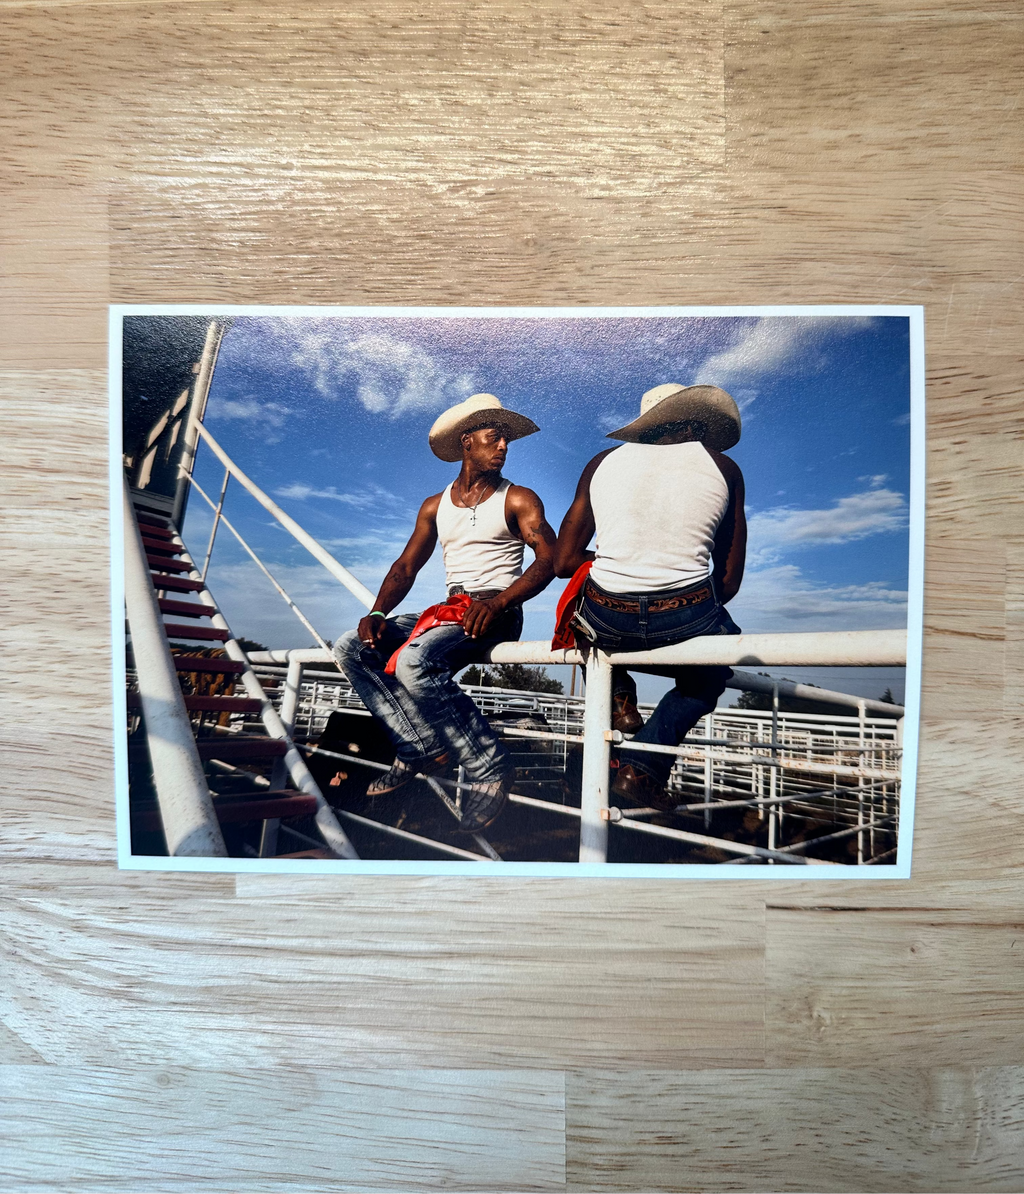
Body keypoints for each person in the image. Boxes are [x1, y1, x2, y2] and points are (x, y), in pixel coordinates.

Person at [334, 393, 556, 833]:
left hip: (498, 608)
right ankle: (421, 745)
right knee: (351, 648)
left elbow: (548, 560)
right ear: (466, 442)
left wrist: (499, 603)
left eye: (506, 440)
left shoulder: (518, 499)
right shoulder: (435, 506)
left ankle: (489, 767)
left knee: (416, 660)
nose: (503, 447)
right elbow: (405, 567)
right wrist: (378, 611)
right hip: (450, 608)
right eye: (494, 438)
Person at [553, 383, 746, 810]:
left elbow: (564, 562)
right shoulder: (724, 468)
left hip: (610, 615)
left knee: (584, 624)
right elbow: (729, 582)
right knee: (712, 674)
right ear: (694, 422)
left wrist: (622, 557)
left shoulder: (600, 464)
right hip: (686, 615)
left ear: (645, 427)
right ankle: (642, 768)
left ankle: (620, 700)